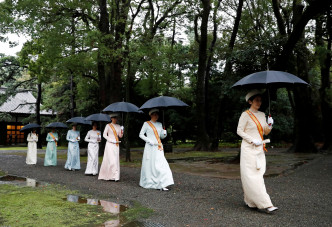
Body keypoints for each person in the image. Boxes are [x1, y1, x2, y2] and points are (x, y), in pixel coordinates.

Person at [237, 89, 278, 213]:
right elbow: (239, 131)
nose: (259, 102)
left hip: (260, 149)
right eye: (256, 100)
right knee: (251, 176)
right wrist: (252, 140)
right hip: (248, 149)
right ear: (250, 101)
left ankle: (250, 201)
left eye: (260, 100)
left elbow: (265, 132)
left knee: (258, 175)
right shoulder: (245, 115)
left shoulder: (262, 114)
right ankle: (266, 204)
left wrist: (269, 125)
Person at [139, 108, 174, 191]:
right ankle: (149, 181)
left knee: (161, 164)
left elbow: (161, 136)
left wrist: (164, 133)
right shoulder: (146, 124)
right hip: (150, 147)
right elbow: (141, 134)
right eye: (154, 114)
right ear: (151, 115)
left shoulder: (159, 124)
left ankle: (162, 183)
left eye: (157, 114)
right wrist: (148, 140)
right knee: (150, 165)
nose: (156, 116)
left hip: (158, 147)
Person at [98, 113, 123, 181]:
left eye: (116, 118)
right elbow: (104, 135)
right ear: (111, 118)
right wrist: (111, 140)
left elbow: (120, 136)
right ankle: (108, 175)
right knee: (110, 160)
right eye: (113, 118)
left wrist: (122, 130)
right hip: (110, 144)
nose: (115, 119)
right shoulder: (108, 125)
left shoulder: (118, 126)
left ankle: (115, 176)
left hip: (116, 144)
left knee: (116, 160)